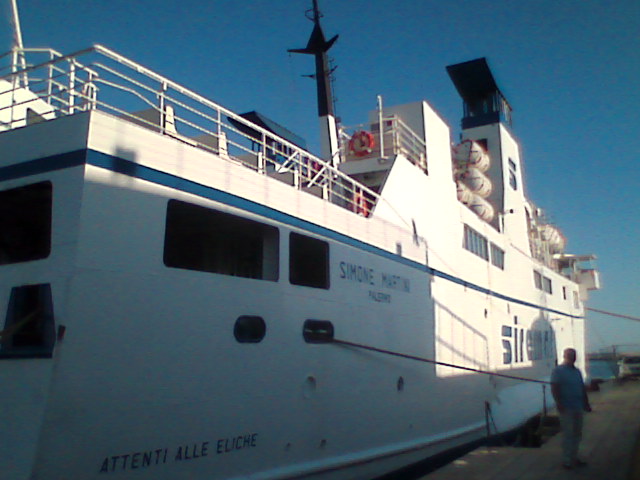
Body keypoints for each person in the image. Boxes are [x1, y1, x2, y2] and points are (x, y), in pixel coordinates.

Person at [551, 347, 592, 469]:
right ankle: (567, 460)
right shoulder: (558, 371)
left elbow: (582, 388)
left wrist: (586, 403)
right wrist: (559, 403)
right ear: (565, 356)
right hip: (566, 407)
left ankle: (575, 457)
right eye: (569, 355)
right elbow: (554, 387)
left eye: (573, 355)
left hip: (578, 405)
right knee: (568, 434)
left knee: (577, 433)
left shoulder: (577, 372)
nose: (572, 358)